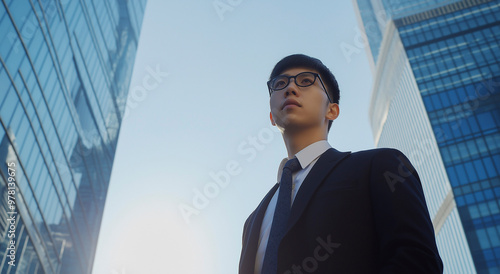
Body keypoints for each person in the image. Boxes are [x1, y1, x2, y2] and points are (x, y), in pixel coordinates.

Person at [238, 54, 443, 274]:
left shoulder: (380, 167)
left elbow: (417, 261)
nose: (290, 88)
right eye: (280, 84)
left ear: (332, 110)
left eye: (306, 81)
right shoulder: (252, 221)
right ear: (271, 117)